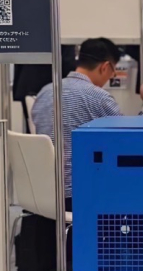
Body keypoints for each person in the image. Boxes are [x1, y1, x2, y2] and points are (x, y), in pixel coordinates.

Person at [32, 38, 122, 203]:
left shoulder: (45, 92)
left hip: (44, 194)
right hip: (80, 195)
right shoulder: (99, 98)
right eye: (113, 72)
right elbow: (127, 140)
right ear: (105, 67)